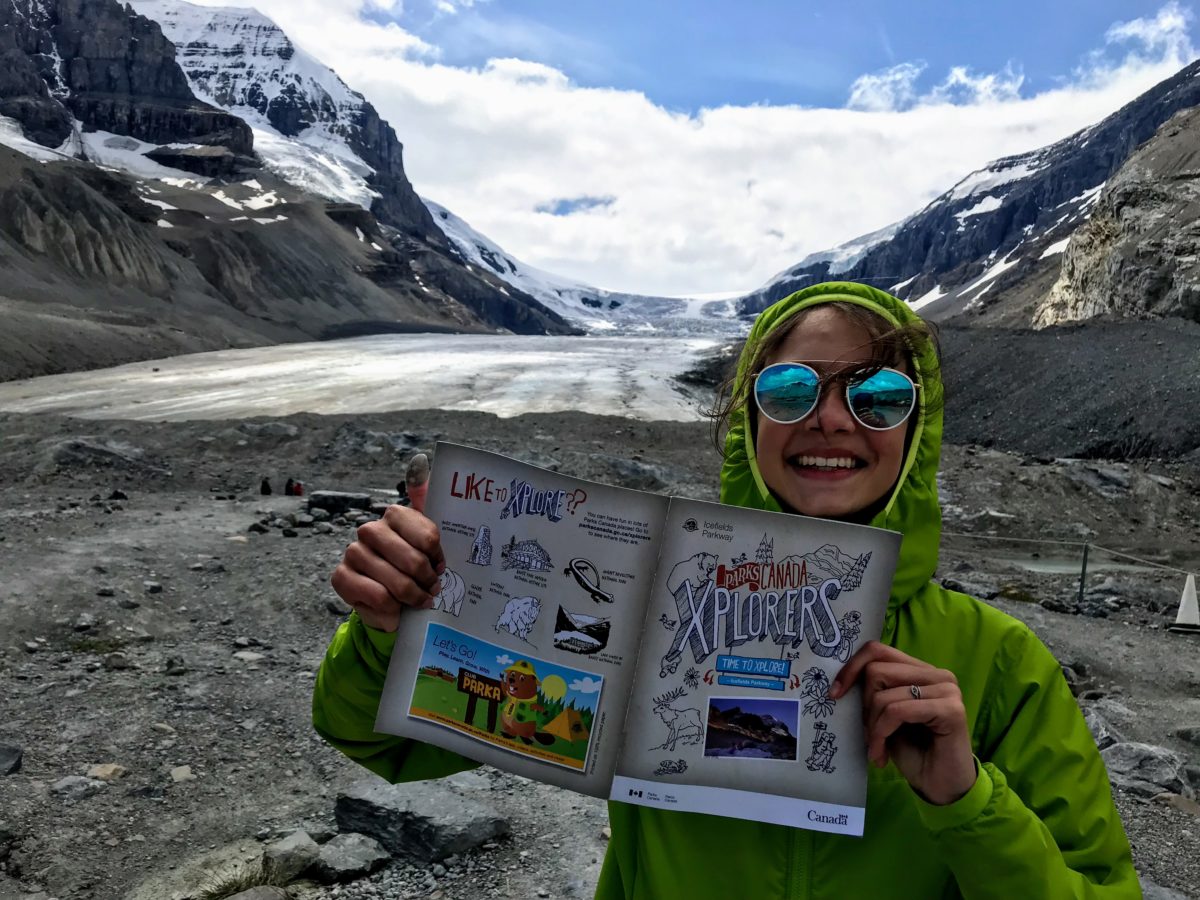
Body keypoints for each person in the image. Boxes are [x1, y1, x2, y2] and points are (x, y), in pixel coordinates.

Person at [312, 282, 1139, 898]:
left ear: (916, 435)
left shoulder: (999, 665)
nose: (831, 420)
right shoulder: (643, 601)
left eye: (879, 396)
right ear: (749, 420)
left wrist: (965, 800)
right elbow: (379, 740)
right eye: (790, 391)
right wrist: (392, 634)